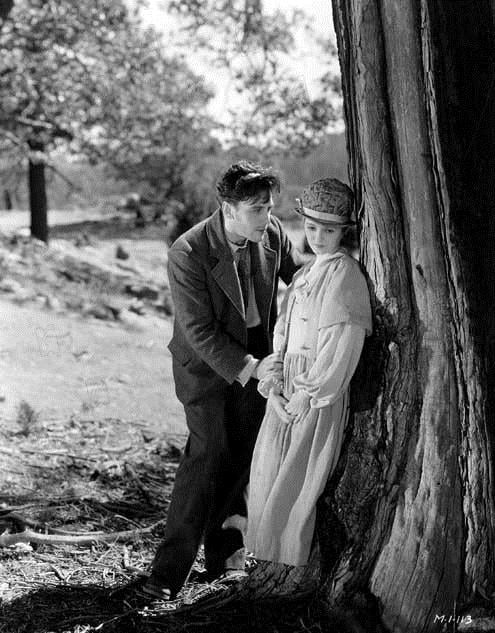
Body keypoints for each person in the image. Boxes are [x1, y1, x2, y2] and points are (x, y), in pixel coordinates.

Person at [143, 161, 302, 599]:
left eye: (269, 208)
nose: (266, 219)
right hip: (206, 366)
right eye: (255, 210)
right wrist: (251, 367)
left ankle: (226, 559)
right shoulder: (188, 251)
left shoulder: (271, 236)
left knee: (242, 458)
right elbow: (199, 333)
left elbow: (303, 281)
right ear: (227, 208)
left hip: (257, 356)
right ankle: (165, 575)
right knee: (206, 455)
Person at [245, 178, 372, 569]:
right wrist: (277, 385)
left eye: (328, 230)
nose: (318, 237)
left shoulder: (345, 275)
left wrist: (307, 392)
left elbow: (342, 345)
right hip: (287, 389)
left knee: (297, 480)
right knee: (269, 469)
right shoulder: (302, 276)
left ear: (343, 232)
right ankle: (263, 556)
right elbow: (281, 333)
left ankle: (292, 562)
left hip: (318, 389)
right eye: (312, 228)